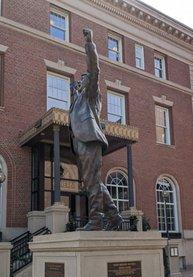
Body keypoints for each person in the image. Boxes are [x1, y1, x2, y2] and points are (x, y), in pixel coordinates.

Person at [69, 28, 123, 231]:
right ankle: (114, 215)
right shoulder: (78, 100)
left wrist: (89, 43)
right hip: (81, 143)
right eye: (80, 80)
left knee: (92, 182)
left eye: (83, 79)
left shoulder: (92, 95)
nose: (81, 80)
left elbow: (94, 70)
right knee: (94, 182)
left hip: (90, 140)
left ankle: (96, 219)